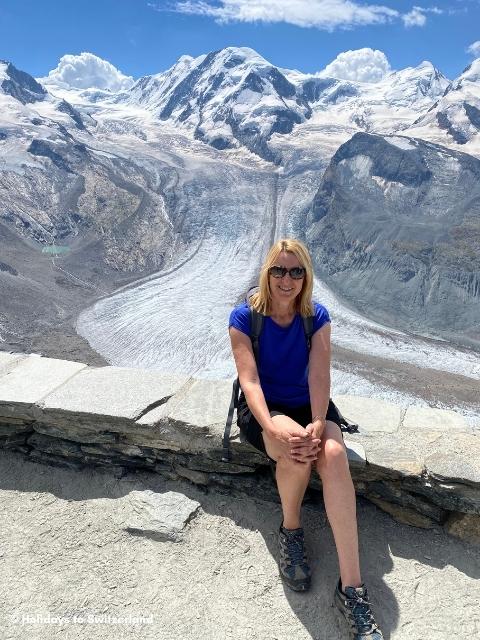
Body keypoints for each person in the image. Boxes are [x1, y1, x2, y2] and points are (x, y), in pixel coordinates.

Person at [228, 238, 383, 640]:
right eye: (279, 270)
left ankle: (352, 589)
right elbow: (250, 381)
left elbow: (319, 376)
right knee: (296, 449)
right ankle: (291, 530)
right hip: (262, 410)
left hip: (310, 405)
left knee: (332, 453)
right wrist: (271, 426)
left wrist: (317, 420)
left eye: (296, 271)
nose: (287, 279)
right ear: (267, 273)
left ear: (306, 276)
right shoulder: (245, 318)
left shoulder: (317, 316)